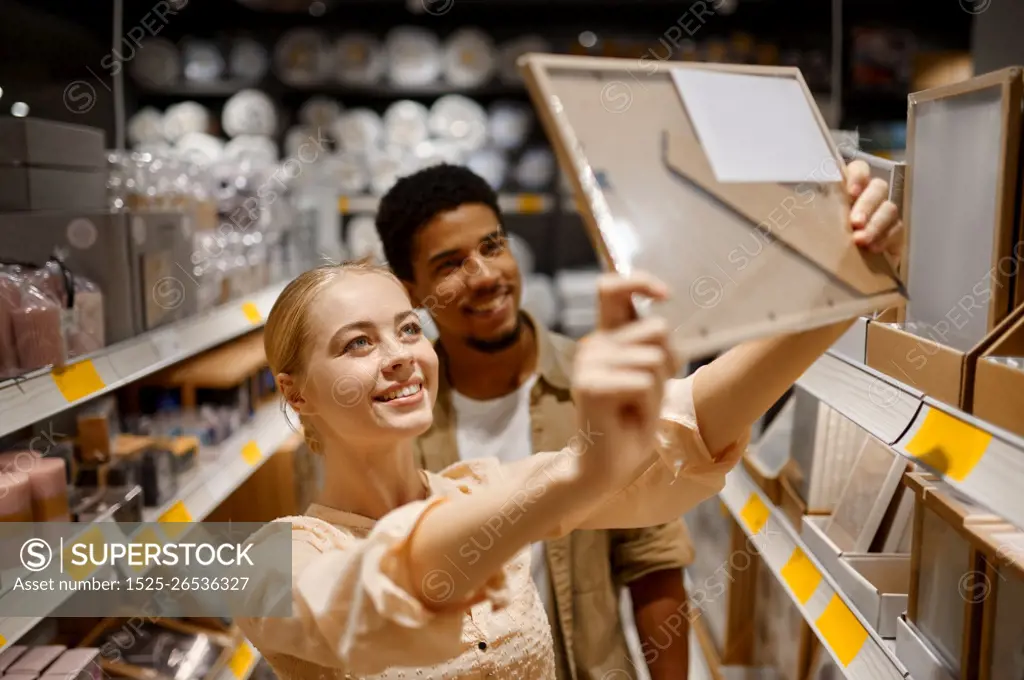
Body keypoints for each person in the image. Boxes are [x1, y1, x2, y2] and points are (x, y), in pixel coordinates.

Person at [235, 158, 903, 680]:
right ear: (295, 395)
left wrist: (843, 282)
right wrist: (580, 474)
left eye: (408, 331)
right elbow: (383, 595)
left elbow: (689, 421)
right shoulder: (263, 563)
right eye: (358, 343)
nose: (401, 358)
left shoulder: (483, 484)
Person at [373, 164, 695, 679]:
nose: (484, 276)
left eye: (492, 246)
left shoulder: (597, 389)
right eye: (450, 264)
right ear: (412, 292)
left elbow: (652, 560)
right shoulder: (392, 420)